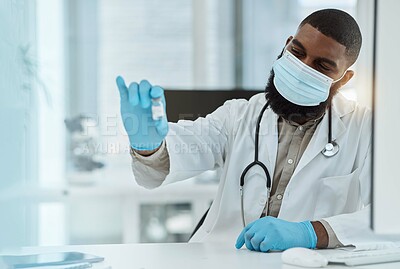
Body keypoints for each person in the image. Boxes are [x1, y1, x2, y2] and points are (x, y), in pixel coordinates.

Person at [116, 9, 370, 252]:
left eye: (322, 66)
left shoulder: (364, 128)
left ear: (345, 78)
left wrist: (312, 233)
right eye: (298, 52)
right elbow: (185, 150)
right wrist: (148, 143)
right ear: (287, 44)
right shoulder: (239, 114)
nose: (304, 67)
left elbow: (388, 217)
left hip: (304, 261)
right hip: (220, 256)